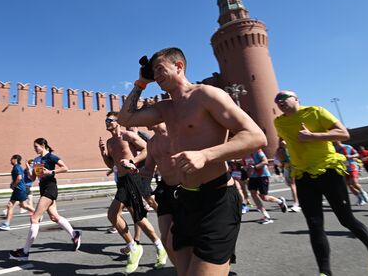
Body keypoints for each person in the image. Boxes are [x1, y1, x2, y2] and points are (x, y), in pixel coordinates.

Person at [118, 47, 267, 276]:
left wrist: (205, 155)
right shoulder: (165, 108)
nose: (156, 75)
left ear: (179, 66)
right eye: (153, 71)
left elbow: (256, 136)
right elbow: (125, 118)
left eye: (160, 69)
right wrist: (140, 83)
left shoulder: (206, 95)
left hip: (216, 199)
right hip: (185, 199)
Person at [273, 90, 368, 276]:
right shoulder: (278, 122)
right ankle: (325, 272)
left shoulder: (316, 111)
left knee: (346, 220)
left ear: (296, 99)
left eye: (283, 98)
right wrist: (280, 152)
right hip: (303, 175)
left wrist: (313, 136)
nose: (279, 101)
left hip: (329, 170)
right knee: (314, 224)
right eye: (276, 100)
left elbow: (343, 134)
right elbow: (282, 141)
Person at [100, 112, 167, 273]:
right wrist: (103, 153)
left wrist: (132, 161)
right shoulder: (109, 142)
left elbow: (146, 149)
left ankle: (138, 246)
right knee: (136, 217)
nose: (107, 122)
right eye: (106, 120)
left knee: (118, 214)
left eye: (110, 120)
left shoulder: (127, 135)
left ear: (117, 122)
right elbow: (111, 165)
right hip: (122, 180)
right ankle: (155, 246)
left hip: (133, 177)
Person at [9, 138, 81, 261]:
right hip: (43, 188)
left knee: (34, 218)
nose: (34, 149)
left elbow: (65, 168)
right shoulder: (37, 160)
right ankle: (75, 234)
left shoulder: (51, 157)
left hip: (50, 188)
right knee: (54, 217)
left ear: (43, 145)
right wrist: (28, 170)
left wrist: (51, 172)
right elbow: (33, 178)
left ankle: (25, 252)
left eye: (36, 146)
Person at [140, 121, 176, 266]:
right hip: (165, 187)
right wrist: (136, 172)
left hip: (184, 187)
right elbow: (149, 168)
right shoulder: (152, 142)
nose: (143, 119)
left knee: (178, 236)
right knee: (166, 239)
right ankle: (181, 269)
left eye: (146, 115)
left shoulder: (176, 134)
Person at [242, 149, 288, 224]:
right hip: (252, 177)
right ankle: (266, 215)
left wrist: (254, 167)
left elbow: (265, 161)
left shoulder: (257, 151)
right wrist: (247, 170)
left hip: (263, 175)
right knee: (253, 194)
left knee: (264, 197)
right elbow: (245, 166)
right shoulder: (244, 154)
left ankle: (280, 201)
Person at [0, 155, 37, 231]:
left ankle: (7, 224)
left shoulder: (17, 167)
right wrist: (13, 183)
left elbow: (19, 177)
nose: (10, 160)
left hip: (19, 189)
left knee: (10, 205)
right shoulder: (18, 167)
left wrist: (14, 185)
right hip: (20, 189)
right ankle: (37, 213)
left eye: (11, 159)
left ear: (15, 159)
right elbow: (18, 177)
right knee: (23, 205)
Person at [334, 142, 368, 206]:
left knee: (354, 183)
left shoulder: (348, 147)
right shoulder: (332, 149)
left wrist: (351, 156)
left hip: (352, 166)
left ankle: (363, 192)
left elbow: (357, 154)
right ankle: (359, 198)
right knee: (349, 185)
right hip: (343, 168)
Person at [275, 139, 301, 212]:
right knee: (292, 184)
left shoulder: (285, 142)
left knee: (293, 184)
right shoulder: (282, 145)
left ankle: (296, 204)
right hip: (288, 165)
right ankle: (298, 200)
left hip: (292, 165)